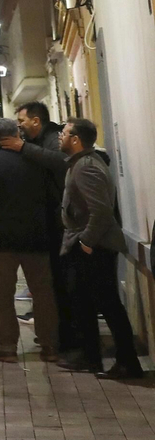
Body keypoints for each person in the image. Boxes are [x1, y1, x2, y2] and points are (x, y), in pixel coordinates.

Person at [57, 119, 144, 379]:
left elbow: (102, 211)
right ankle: (92, 357)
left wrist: (85, 242)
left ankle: (126, 361)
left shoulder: (86, 167)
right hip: (90, 244)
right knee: (85, 302)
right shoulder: (80, 164)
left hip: (96, 247)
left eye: (63, 133)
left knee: (107, 304)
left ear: (75, 139)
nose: (59, 137)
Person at [0, 118, 59, 363]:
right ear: (17, 133)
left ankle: (7, 347)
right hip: (36, 236)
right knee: (42, 292)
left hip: (1, 237)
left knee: (3, 294)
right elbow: (52, 196)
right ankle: (49, 344)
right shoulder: (36, 160)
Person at [0, 101, 75, 358]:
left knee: (59, 284)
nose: (19, 124)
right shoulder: (41, 141)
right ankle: (59, 338)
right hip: (51, 223)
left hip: (62, 223)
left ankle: (66, 339)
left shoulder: (51, 138)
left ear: (36, 121)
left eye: (22, 120)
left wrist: (23, 148)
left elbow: (64, 162)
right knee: (52, 285)